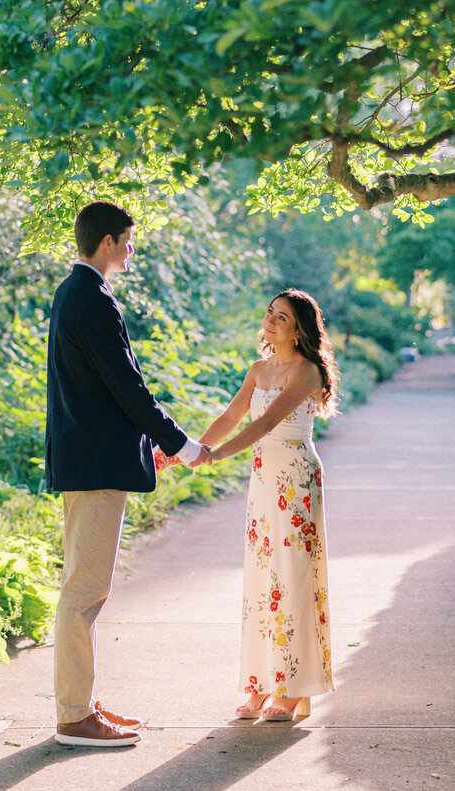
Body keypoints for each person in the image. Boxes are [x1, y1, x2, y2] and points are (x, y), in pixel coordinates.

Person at [46, 199, 210, 747]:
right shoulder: (91, 299)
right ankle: (74, 716)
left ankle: (82, 704)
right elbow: (127, 385)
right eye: (128, 239)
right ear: (109, 241)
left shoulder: (75, 294)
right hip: (92, 464)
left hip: (88, 457)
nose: (132, 248)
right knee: (84, 590)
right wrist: (180, 444)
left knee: (87, 587)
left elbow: (106, 390)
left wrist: (151, 442)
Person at [180, 289, 336, 723]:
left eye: (282, 317)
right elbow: (232, 417)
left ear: (300, 329)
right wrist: (191, 449)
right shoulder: (258, 369)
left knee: (293, 576)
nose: (270, 321)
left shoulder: (306, 372)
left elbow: (268, 423)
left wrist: (215, 457)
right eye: (270, 313)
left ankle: (291, 687)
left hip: (296, 480)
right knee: (263, 579)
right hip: (264, 480)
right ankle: (261, 683)